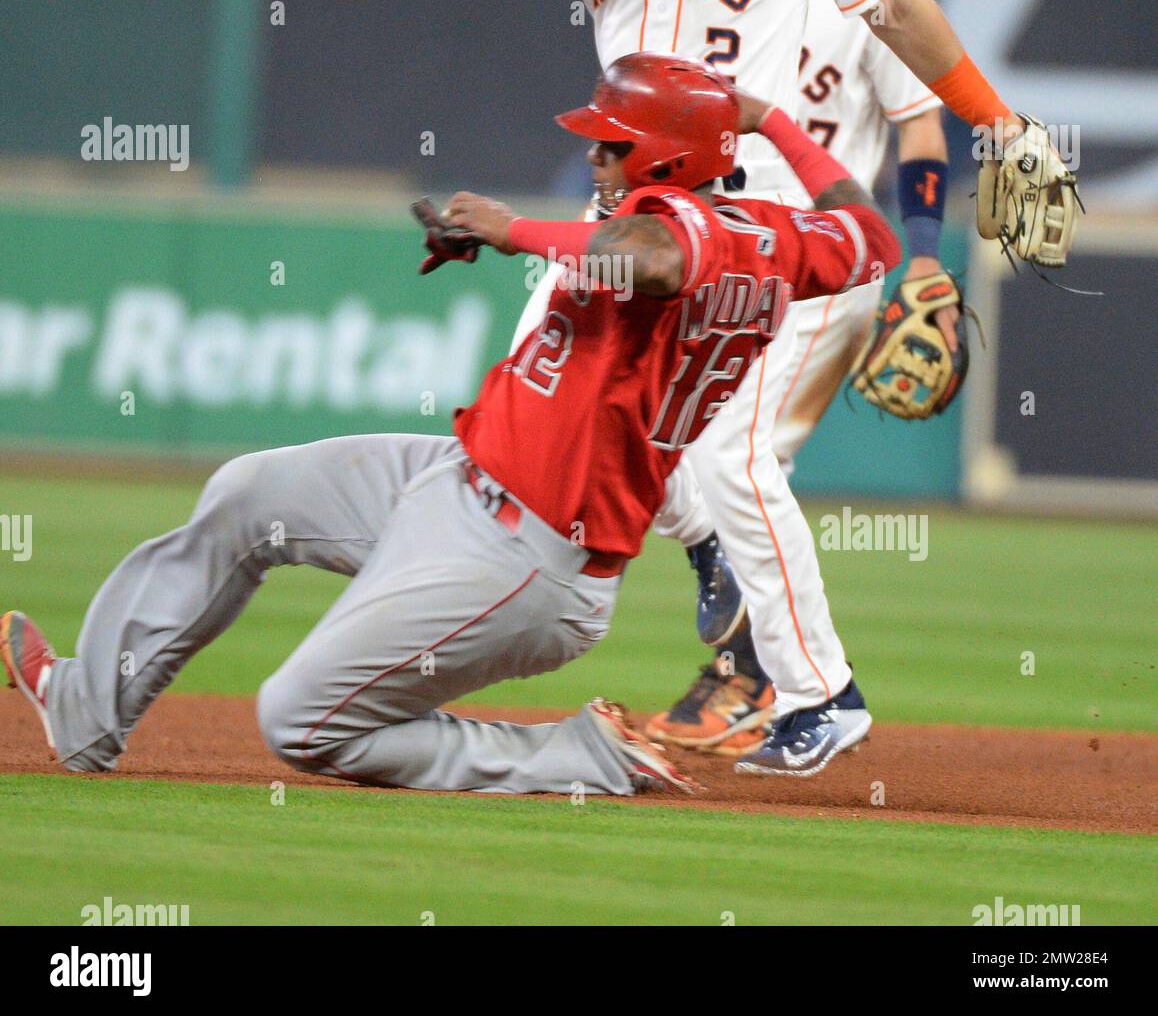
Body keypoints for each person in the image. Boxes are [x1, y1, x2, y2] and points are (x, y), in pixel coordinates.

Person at [2, 54, 900, 796]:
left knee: (297, 722)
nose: (595, 161)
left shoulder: (686, 228)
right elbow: (872, 237)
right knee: (247, 495)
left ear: (665, 161)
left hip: (526, 555)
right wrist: (772, 117)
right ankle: (89, 709)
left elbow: (658, 261)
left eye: (612, 147)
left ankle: (572, 759)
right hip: (457, 478)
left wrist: (514, 230)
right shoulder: (781, 238)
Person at [430, 0, 1033, 775]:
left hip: (748, 217)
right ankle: (704, 554)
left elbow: (905, 17)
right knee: (546, 394)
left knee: (732, 453)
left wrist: (1000, 123)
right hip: (629, 210)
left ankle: (819, 695)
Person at [644, 0, 959, 759]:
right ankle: (746, 635)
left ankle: (779, 685)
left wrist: (927, 255)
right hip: (732, 252)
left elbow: (921, 125)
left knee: (738, 465)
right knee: (655, 440)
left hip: (829, 269)